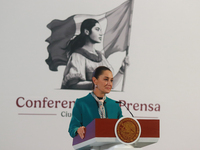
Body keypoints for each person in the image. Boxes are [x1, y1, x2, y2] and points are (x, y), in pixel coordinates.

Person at [61, 18, 129, 90]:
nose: (100, 33)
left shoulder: (101, 57)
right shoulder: (77, 55)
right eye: (97, 29)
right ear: (87, 32)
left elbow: (110, 86)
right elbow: (73, 85)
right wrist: (98, 84)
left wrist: (122, 70)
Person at [68, 66, 123, 139]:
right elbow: (72, 128)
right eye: (106, 79)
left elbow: (123, 126)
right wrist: (78, 130)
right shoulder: (81, 103)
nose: (109, 83)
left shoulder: (115, 105)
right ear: (95, 80)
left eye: (111, 80)